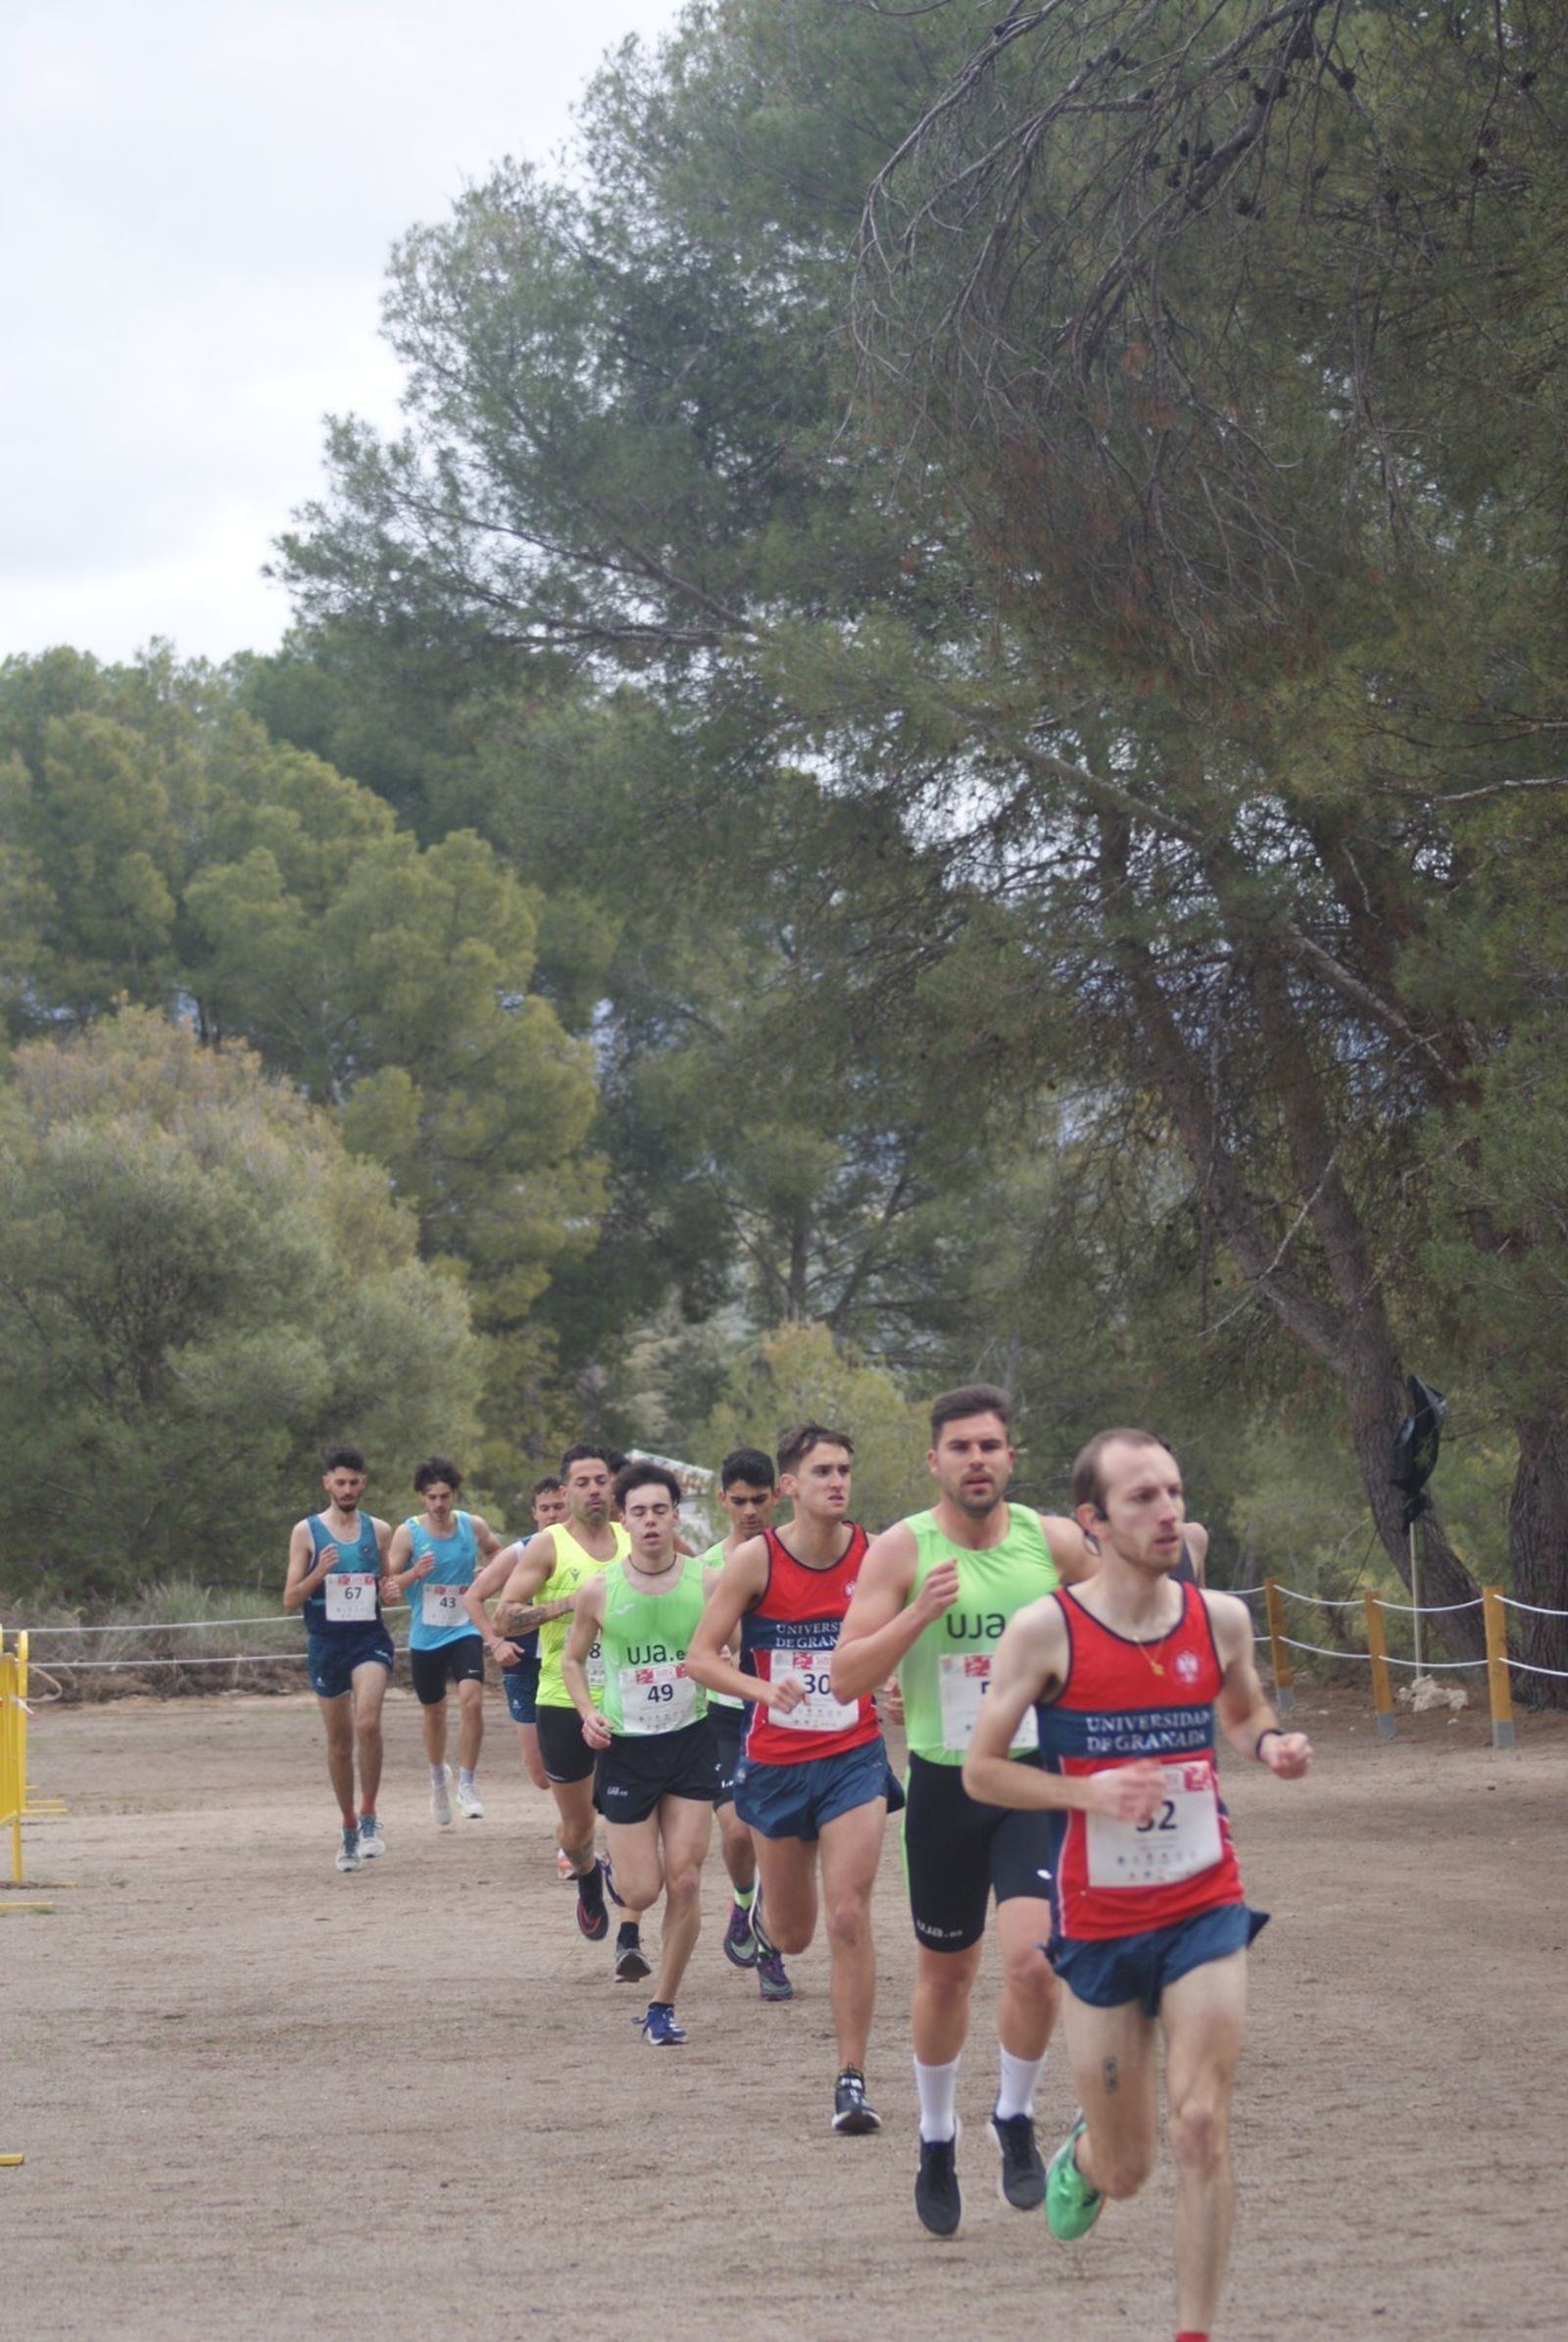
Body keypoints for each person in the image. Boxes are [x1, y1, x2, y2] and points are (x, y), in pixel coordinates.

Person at [963, 1429, 1311, 2342]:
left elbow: (1242, 1708)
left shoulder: (1217, 1618)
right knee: (1130, 2171)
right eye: (1142, 1499)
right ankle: (1086, 2149)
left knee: (1201, 2123)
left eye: (1174, 1493)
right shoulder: (1048, 1629)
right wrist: (1087, 1791)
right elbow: (980, 1772)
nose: (1168, 1513)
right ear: (1093, 1520)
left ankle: (1194, 2331)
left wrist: (1270, 1744)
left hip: (1204, 1902)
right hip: (1103, 1920)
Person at [832, 1383, 1094, 2235]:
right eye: (960, 1447)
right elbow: (846, 1678)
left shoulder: (1051, 1541)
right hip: (947, 1787)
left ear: (1011, 1457)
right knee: (947, 1974)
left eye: (990, 1446)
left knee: (1036, 1963)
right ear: (934, 1460)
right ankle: (937, 2135)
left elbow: (1118, 1625)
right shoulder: (901, 1551)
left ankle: (1014, 2117)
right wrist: (919, 1614)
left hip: (1032, 1779)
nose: (976, 1460)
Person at [687, 1422, 889, 2135]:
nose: (839, 1481)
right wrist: (760, 1690)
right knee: (799, 1934)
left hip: (853, 1756)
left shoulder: (877, 1554)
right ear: (791, 1489)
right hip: (775, 1765)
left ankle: (852, 2078)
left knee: (847, 1915)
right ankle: (761, 1921)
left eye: (846, 1469)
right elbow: (700, 1659)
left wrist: (894, 1688)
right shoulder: (755, 1563)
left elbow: (902, 1640)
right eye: (824, 1471)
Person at [564, 1460, 719, 2042]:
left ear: (676, 1516)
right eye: (639, 1512)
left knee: (685, 1879)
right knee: (643, 1889)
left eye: (660, 1510)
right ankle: (615, 1878)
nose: (651, 1521)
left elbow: (736, 1650)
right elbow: (572, 1660)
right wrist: (588, 1713)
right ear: (623, 1520)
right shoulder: (599, 1589)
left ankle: (663, 2006)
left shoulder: (707, 1582)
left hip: (691, 1743)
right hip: (627, 1750)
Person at [466, 1444, 629, 1940]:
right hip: (561, 1698)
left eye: (601, 1480)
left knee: (628, 1813)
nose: (594, 1490)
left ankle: (632, 1923)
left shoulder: (636, 1537)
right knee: (577, 1829)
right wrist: (570, 1604)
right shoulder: (548, 1545)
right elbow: (504, 1617)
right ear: (565, 1491)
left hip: (629, 1700)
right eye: (582, 1482)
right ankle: (587, 1878)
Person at [697, 1447, 793, 2001]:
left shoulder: (792, 1556)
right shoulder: (710, 1568)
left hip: (784, 1720)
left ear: (777, 1496)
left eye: (760, 1500)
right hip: (729, 1717)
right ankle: (741, 1902)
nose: (750, 1511)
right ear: (722, 1500)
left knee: (775, 1839)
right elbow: (704, 1646)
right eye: (739, 1502)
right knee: (736, 1832)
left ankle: (772, 1952)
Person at [282, 1445, 395, 1873]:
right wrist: (319, 1571)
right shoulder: (306, 1532)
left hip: (369, 1639)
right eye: (340, 1482)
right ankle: (347, 1824)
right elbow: (290, 1598)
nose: (347, 1489)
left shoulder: (379, 1530)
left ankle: (369, 1817)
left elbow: (386, 1581)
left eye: (354, 1482)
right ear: (327, 1483)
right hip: (326, 1643)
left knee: (367, 1722)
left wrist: (393, 1587)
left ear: (363, 1483)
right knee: (340, 1742)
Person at [385, 1459, 504, 1824]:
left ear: (454, 1494)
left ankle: (468, 1783)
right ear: (422, 1497)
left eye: (445, 1496)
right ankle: (438, 1777)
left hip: (464, 1627)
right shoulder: (408, 1534)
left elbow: (498, 1552)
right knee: (434, 1711)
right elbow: (388, 1587)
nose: (438, 1504)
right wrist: (414, 1573)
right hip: (426, 1635)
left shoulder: (472, 1526)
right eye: (432, 1497)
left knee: (471, 1701)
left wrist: (487, 1576)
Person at [463, 1474, 568, 1798]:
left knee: (579, 1756)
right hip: (523, 1665)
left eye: (559, 1507)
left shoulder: (587, 1550)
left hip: (570, 1664)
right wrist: (496, 1643)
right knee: (539, 1773)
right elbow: (472, 1597)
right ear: (535, 1513)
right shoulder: (520, 1552)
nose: (552, 1514)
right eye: (545, 1508)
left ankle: (579, 1831)